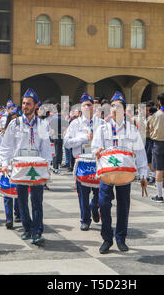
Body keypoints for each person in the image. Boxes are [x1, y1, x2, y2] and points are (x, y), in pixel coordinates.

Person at [92, 91, 148, 254]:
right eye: (113, 107)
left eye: (118, 106)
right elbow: (95, 148)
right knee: (103, 204)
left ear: (124, 110)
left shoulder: (132, 130)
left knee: (123, 205)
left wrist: (143, 174)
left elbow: (140, 152)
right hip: (107, 173)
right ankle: (107, 238)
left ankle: (121, 238)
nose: (114, 109)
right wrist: (97, 150)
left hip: (124, 173)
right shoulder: (102, 129)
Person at [0, 88, 52, 245]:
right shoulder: (14, 124)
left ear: (35, 106)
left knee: (37, 199)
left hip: (36, 167)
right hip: (19, 167)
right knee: (21, 200)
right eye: (23, 103)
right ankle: (27, 228)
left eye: (28, 104)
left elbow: (46, 148)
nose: (25, 106)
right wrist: (4, 163)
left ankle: (37, 231)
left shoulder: (42, 124)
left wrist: (47, 165)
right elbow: (6, 146)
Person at [64, 92, 105, 231]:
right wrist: (83, 138)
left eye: (90, 105)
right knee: (83, 193)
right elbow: (67, 143)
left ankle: (95, 206)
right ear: (80, 109)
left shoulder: (101, 123)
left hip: (98, 161)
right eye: (85, 105)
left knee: (100, 191)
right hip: (82, 161)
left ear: (94, 107)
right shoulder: (75, 124)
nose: (88, 107)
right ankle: (85, 219)